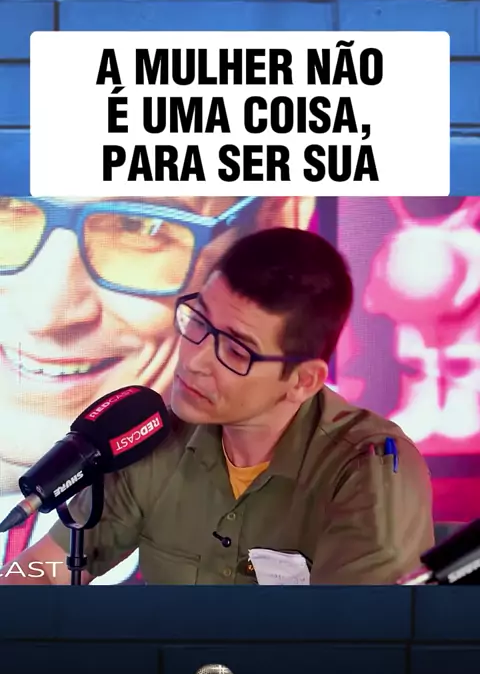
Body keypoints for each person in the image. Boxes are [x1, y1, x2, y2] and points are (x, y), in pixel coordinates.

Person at [0, 226, 434, 586]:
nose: (195, 359)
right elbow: (43, 570)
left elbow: (360, 644)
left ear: (303, 380)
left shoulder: (368, 469)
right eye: (199, 321)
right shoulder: (154, 438)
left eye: (236, 349)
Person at [0, 195, 315, 583]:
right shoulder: (128, 472)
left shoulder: (344, 468)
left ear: (274, 223)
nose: (45, 316)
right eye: (7, 207)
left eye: (138, 226)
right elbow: (45, 573)